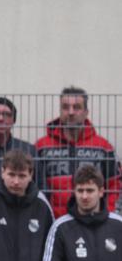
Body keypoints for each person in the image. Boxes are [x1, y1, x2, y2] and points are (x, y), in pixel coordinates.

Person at [35, 86, 117, 218]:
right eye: (66, 107)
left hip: (93, 223)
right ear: (60, 110)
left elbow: (115, 185)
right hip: (53, 221)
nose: (71, 112)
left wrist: (107, 214)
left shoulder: (103, 147)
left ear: (86, 112)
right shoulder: (41, 146)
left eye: (77, 107)